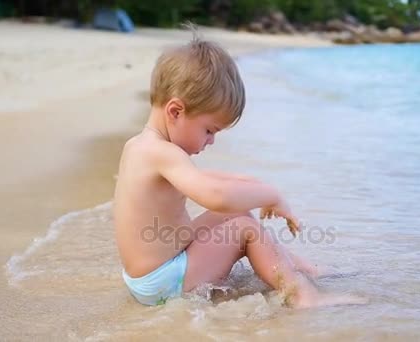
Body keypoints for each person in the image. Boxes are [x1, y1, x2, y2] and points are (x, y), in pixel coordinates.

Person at [113, 28, 366, 308]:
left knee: (237, 211)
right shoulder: (163, 152)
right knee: (246, 229)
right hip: (164, 281)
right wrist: (272, 195)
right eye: (209, 130)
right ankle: (302, 295)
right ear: (175, 111)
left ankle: (304, 269)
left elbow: (199, 181)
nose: (211, 141)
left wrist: (247, 183)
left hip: (150, 274)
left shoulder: (140, 146)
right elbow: (215, 195)